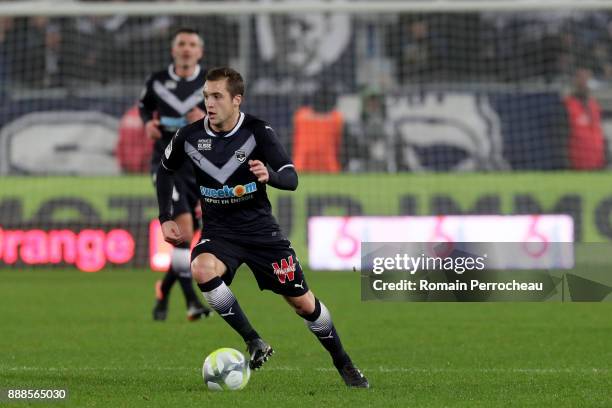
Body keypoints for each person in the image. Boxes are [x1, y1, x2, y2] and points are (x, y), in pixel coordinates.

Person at [156, 67, 369, 388]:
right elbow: (164, 171)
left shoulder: (258, 131)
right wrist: (165, 216)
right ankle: (254, 341)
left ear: (236, 100)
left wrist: (271, 175)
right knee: (201, 268)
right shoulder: (189, 136)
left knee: (303, 304)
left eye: (217, 96)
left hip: (261, 235)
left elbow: (291, 177)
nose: (209, 103)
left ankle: (344, 363)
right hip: (220, 234)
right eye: (206, 96)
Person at [139, 28, 211, 321]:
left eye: (192, 44)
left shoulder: (210, 82)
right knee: (181, 233)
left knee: (189, 236)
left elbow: (228, 118)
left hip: (200, 166)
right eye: (181, 43)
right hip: (166, 163)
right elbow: (144, 106)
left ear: (199, 52)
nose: (186, 48)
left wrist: (205, 118)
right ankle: (193, 302)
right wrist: (147, 123)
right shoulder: (157, 80)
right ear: (174, 50)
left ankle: (163, 292)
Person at [564, 67, 607, 170]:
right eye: (581, 78)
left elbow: (600, 132)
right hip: (577, 164)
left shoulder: (594, 105)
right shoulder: (567, 104)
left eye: (587, 78)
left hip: (598, 163)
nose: (584, 82)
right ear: (574, 80)